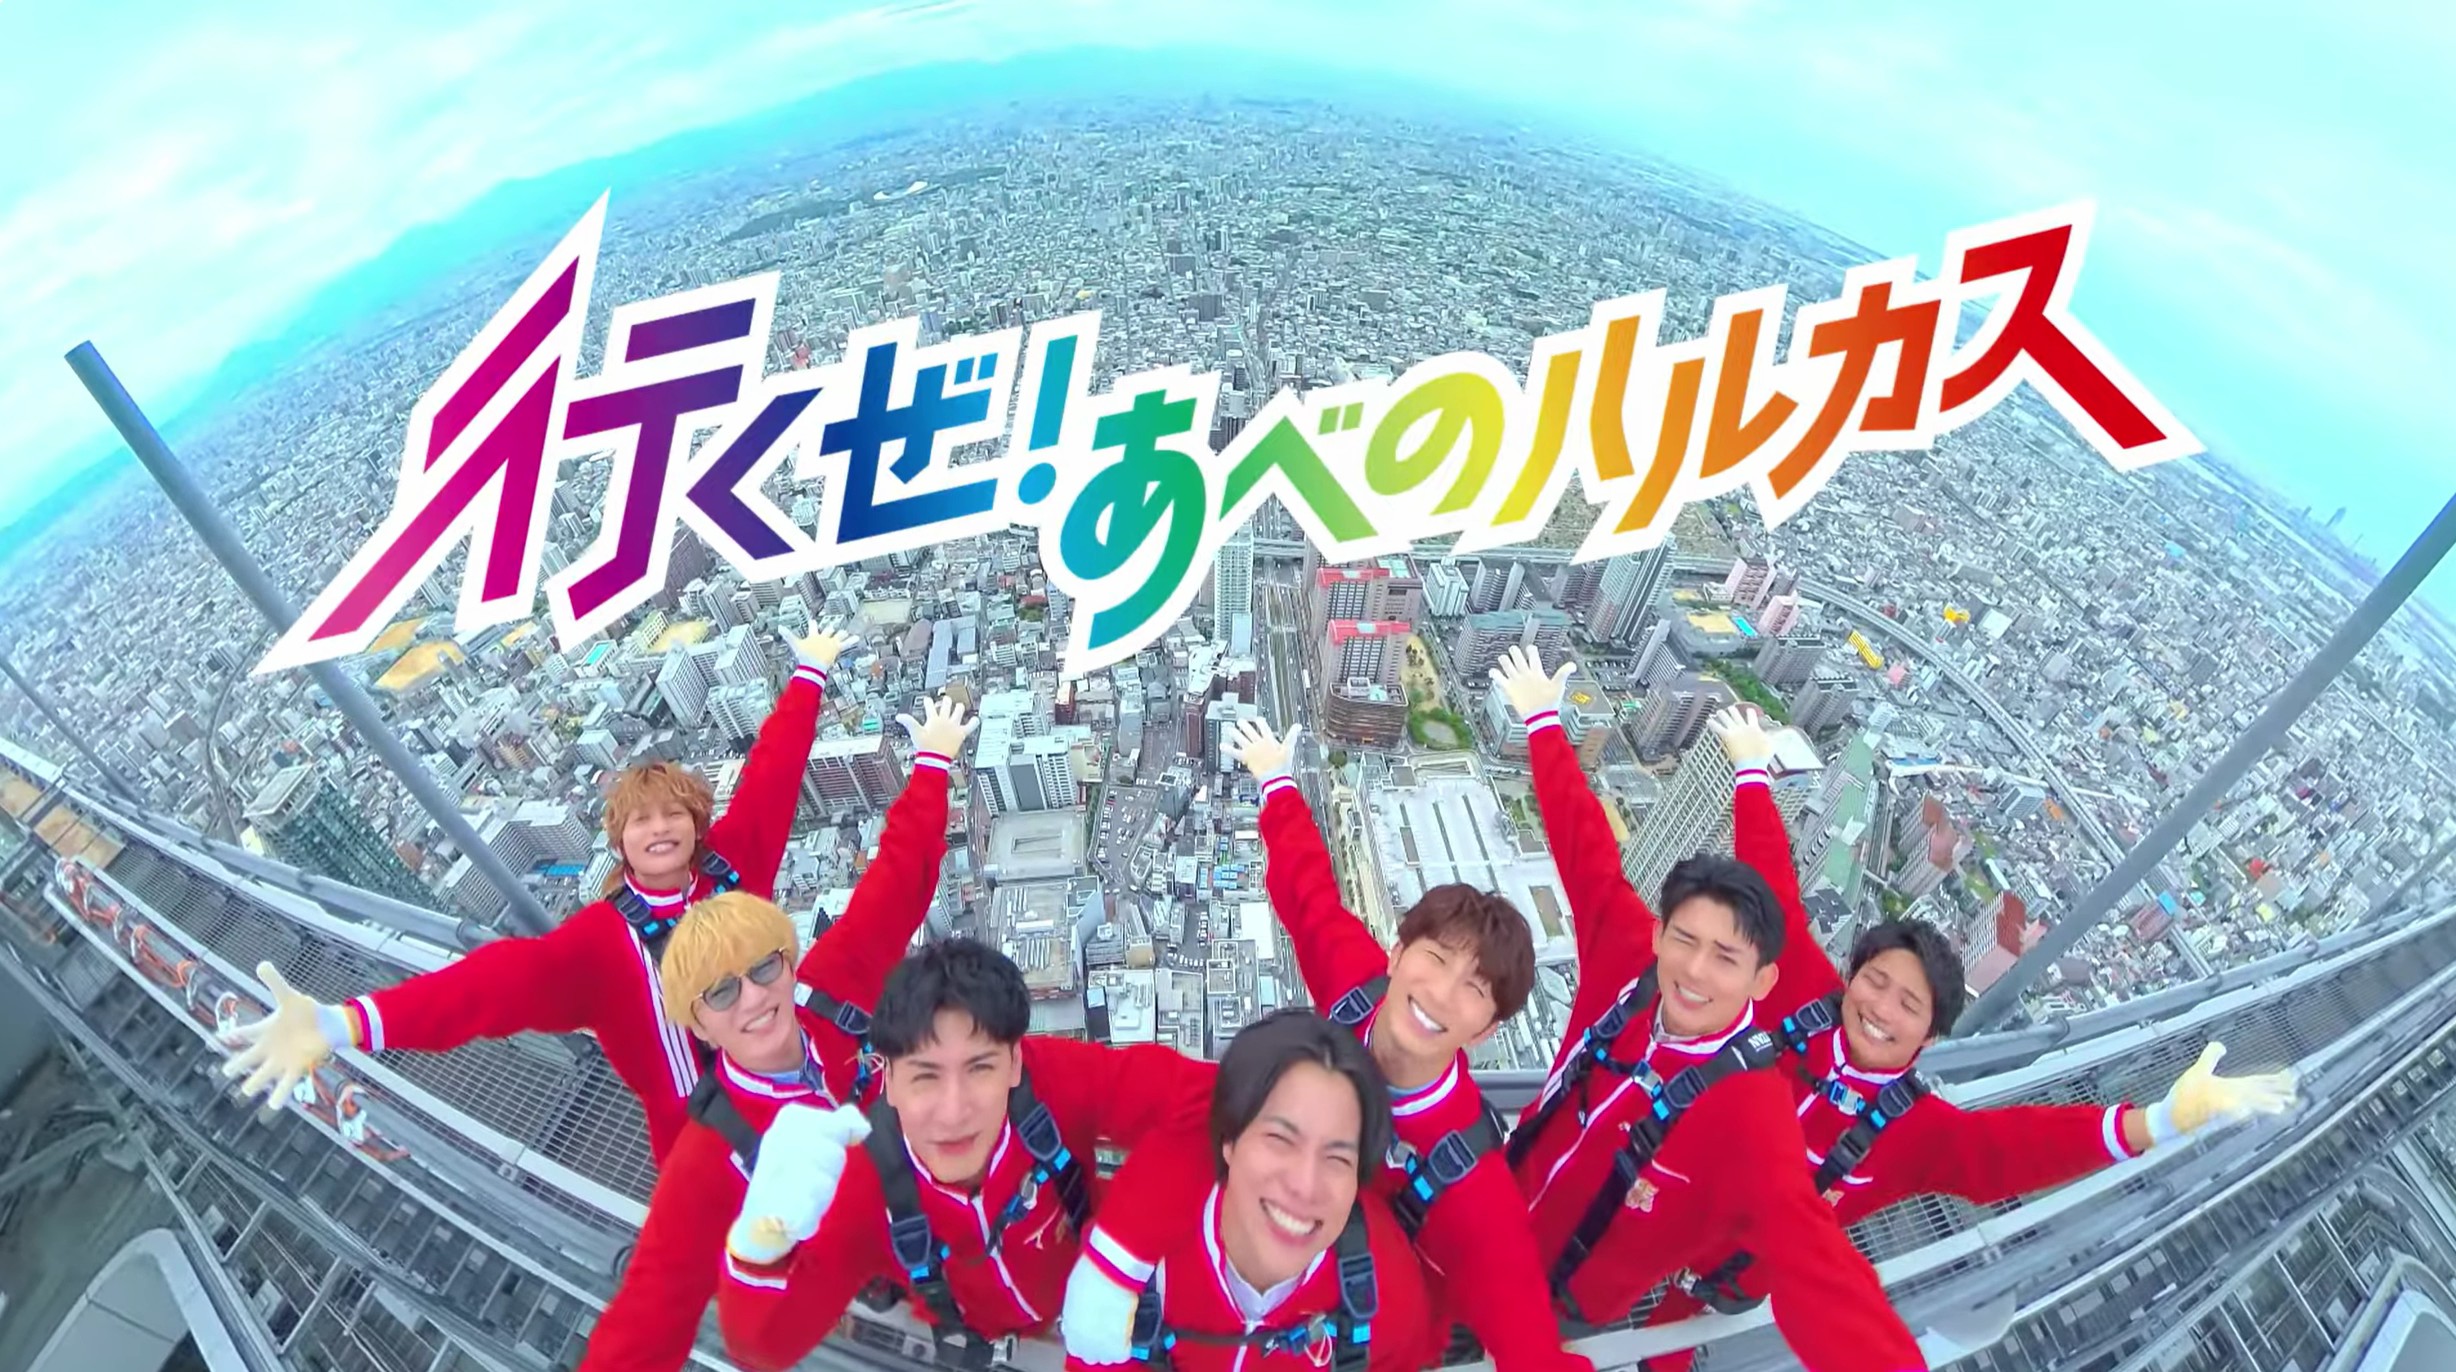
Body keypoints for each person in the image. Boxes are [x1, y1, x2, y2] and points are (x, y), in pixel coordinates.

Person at [1636, 706, 2298, 1363]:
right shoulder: (1807, 1000)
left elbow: (2013, 1148)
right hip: (1644, 1201)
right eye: (1876, 982)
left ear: (1928, 1039)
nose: (1880, 1008)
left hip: (1702, 1290)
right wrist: (1753, 772)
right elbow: (1773, 886)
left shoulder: (1913, 1130)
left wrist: (2156, 1122)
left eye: (1908, 1005)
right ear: (1851, 976)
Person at [221, 625, 870, 1164]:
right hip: (714, 1147)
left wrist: (809, 672)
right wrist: (349, 1023)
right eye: (641, 821)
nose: (661, 829)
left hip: (803, 1079)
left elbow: (771, 777)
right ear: (620, 842)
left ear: (698, 823)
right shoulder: (601, 942)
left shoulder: (732, 867)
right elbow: (491, 986)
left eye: (675, 814)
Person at [1488, 646, 1926, 1372]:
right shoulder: (1631, 963)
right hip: (1491, 1221)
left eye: (1725, 957)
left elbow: (1809, 1250)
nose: (1693, 971)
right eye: (1684, 940)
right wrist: (1541, 722)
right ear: (1659, 934)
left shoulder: (1751, 1106)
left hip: (1569, 1302)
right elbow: (1584, 847)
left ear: (1763, 980)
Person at [1126, 716, 1582, 1371]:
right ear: (1396, 954)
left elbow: (1523, 1325)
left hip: (1358, 1338)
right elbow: (1309, 896)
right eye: (1435, 958)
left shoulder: (1469, 1178)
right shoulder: (1357, 992)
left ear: (1486, 1031)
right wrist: (1277, 783)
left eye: (1475, 990)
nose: (1440, 994)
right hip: (1254, 1278)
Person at [573, 702, 978, 1372]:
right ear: (695, 1022)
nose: (756, 999)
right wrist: (762, 1256)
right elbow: (652, 1307)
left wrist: (933, 764)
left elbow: (895, 887)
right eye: (721, 992)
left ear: (788, 961)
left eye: (764, 968)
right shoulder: (709, 1154)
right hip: (874, 1259)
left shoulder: (826, 1002)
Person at [712, 939, 1217, 1372]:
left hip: (1102, 1294)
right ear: (888, 1079)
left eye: (980, 1069)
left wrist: (1117, 1258)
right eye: (925, 1076)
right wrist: (761, 1242)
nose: (954, 1113)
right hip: (977, 1334)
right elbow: (762, 1345)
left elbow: (1219, 1103)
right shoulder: (865, 1186)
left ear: (1015, 1063)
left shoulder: (1056, 1082)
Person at [1056, 1008, 1435, 1372]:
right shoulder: (1144, 1264)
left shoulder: (1388, 1295)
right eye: (1280, 1139)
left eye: (1337, 1158)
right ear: (1229, 1141)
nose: (1305, 1185)